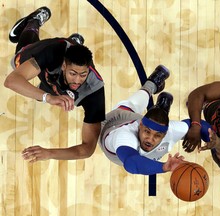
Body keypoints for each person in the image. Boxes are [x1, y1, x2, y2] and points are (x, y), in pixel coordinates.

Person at [4, 7, 105, 162]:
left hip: (55, 81)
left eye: (83, 75)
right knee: (18, 62)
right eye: (73, 74)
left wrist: (49, 153)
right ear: (64, 66)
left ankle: (75, 44)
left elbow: (87, 149)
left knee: (39, 94)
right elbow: (11, 81)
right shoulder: (52, 52)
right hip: (52, 54)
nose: (78, 80)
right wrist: (48, 98)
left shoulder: (94, 90)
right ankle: (33, 22)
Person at [99, 65, 192, 175]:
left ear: (165, 133)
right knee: (130, 105)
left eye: (157, 135)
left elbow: (199, 127)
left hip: (145, 124)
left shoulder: (168, 130)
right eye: (147, 132)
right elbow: (132, 163)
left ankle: (161, 110)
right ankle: (151, 84)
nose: (150, 139)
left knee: (156, 121)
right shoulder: (124, 136)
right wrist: (164, 167)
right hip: (115, 121)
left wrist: (206, 135)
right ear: (141, 125)